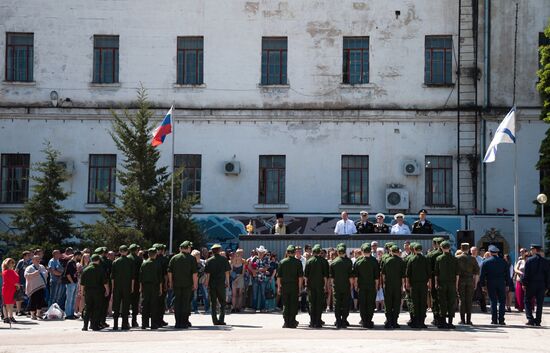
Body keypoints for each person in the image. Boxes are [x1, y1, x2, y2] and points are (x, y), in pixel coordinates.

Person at [168, 241, 198, 329]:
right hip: (187, 285)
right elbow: (194, 273)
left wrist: (171, 282)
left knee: (177, 303)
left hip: (176, 284)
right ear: (188, 248)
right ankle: (184, 322)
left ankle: (177, 322)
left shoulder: (174, 258)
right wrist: (195, 284)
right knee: (185, 303)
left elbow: (170, 272)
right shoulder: (191, 258)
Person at [479, 245, 512, 325]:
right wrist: (507, 284)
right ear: (497, 253)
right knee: (502, 301)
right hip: (501, 283)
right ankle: (501, 320)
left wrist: (482, 285)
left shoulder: (486, 262)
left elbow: (482, 275)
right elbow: (507, 274)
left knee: (493, 301)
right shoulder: (503, 261)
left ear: (490, 252)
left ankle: (494, 320)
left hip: (491, 283)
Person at [522, 244, 550, 326]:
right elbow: (548, 275)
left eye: (531, 249)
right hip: (541, 285)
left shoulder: (529, 260)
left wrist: (524, 283)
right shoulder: (546, 261)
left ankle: (530, 319)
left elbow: (526, 274)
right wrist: (547, 286)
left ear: (534, 250)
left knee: (527, 301)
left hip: (531, 284)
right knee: (540, 303)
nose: (530, 251)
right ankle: (538, 321)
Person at [80, 254, 109, 331]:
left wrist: (82, 292)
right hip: (98, 291)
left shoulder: (86, 269)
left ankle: (85, 326)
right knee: (97, 308)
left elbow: (82, 283)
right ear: (98, 260)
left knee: (88, 308)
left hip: (88, 291)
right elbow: (105, 282)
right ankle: (94, 325)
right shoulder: (100, 269)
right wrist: (107, 290)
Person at [353, 243, 379, 328]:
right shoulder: (374, 261)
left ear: (362, 251)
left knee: (363, 304)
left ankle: (364, 321)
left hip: (362, 286)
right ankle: (369, 320)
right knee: (370, 304)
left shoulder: (358, 261)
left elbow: (356, 277)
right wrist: (376, 286)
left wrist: (356, 286)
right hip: (371, 286)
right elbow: (376, 277)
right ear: (370, 251)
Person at [277, 245, 304, 328]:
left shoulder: (282, 262)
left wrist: (279, 287)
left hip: (284, 286)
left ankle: (286, 322)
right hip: (294, 286)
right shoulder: (298, 262)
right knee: (293, 304)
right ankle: (292, 322)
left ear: (287, 252)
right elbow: (300, 277)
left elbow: (279, 277)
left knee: (285, 304)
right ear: (294, 252)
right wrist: (299, 288)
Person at [205, 244, 231, 325]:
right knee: (222, 302)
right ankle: (221, 320)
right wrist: (228, 282)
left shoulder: (209, 261)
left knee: (213, 302)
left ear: (212, 251)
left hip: (212, 283)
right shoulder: (224, 259)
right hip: (221, 284)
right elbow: (227, 272)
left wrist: (207, 283)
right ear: (219, 250)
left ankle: (215, 320)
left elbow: (208, 274)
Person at [406, 243, 431, 328]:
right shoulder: (425, 259)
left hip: (414, 285)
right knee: (423, 303)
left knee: (415, 303)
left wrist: (408, 284)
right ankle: (422, 322)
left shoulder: (411, 259)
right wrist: (429, 283)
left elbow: (408, 274)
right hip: (423, 284)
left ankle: (416, 321)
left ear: (414, 250)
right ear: (421, 250)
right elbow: (429, 273)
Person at [434, 241, 458, 329]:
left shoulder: (438, 258)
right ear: (449, 248)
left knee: (442, 302)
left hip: (441, 284)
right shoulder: (454, 259)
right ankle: (450, 322)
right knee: (451, 302)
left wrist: (436, 283)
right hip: (451, 284)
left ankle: (443, 322)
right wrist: (456, 285)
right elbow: (457, 274)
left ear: (441, 248)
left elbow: (436, 273)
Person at [304, 244, 329, 328]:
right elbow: (325, 276)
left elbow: (306, 276)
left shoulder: (309, 261)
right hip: (320, 286)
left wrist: (306, 285)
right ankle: (318, 322)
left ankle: (312, 321)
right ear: (320, 252)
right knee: (319, 303)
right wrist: (325, 286)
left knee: (311, 303)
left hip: (311, 286)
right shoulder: (324, 261)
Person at [330, 244, 353, 328]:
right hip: (346, 286)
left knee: (337, 304)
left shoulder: (333, 262)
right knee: (345, 303)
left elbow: (332, 277)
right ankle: (344, 320)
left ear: (338, 252)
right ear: (344, 252)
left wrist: (333, 286)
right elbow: (350, 276)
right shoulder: (349, 262)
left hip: (337, 286)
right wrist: (351, 286)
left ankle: (338, 321)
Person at [110, 245, 134, 330]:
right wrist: (132, 287)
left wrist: (112, 288)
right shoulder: (130, 261)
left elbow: (112, 277)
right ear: (127, 251)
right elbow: (132, 277)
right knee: (125, 306)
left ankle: (115, 325)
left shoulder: (115, 262)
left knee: (116, 306)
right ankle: (124, 324)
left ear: (119, 252)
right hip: (126, 286)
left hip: (117, 287)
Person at [382, 245, 405, 329]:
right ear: (398, 252)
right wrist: (402, 286)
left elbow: (383, 274)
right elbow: (403, 276)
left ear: (391, 251)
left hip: (388, 285)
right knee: (396, 303)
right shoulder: (401, 261)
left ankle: (388, 321)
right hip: (397, 285)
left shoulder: (387, 260)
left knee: (388, 304)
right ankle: (395, 322)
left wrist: (384, 284)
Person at [456, 243, 479, 325]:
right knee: (469, 300)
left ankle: (462, 320)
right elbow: (476, 273)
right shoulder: (473, 258)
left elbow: (457, 274)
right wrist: (475, 283)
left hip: (461, 280)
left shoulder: (457, 258)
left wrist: (456, 284)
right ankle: (468, 320)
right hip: (470, 281)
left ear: (461, 249)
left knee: (462, 300)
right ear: (468, 249)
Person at [140, 248, 162, 330]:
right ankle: (153, 324)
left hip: (146, 286)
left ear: (148, 254)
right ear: (155, 254)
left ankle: (144, 324)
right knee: (154, 306)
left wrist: (141, 288)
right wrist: (160, 289)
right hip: (155, 286)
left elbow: (141, 278)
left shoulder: (144, 264)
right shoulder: (157, 264)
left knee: (145, 305)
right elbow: (160, 279)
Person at [24, 255, 48, 321]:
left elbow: (45, 274)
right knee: (33, 301)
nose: (38, 260)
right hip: (33, 287)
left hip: (41, 286)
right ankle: (32, 315)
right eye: (36, 259)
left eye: (39, 259)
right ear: (33, 260)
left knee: (40, 301)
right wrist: (34, 273)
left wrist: (46, 273)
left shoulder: (42, 266)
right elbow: (26, 275)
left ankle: (38, 314)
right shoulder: (29, 267)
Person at [427, 237, 443, 325]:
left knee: (435, 299)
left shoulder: (431, 255)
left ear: (435, 244)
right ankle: (442, 318)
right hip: (445, 280)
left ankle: (436, 318)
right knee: (443, 299)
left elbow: (428, 270)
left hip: (433, 279)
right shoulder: (448, 254)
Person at [250, 245, 270, 312]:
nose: (260, 253)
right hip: (255, 278)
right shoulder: (254, 258)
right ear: (257, 252)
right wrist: (253, 271)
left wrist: (257, 270)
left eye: (262, 252)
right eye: (259, 252)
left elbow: (267, 268)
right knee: (255, 294)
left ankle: (262, 308)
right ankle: (254, 308)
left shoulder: (266, 258)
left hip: (263, 278)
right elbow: (249, 265)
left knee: (263, 294)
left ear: (264, 253)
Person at [127, 244, 142, 327]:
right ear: (136, 250)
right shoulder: (139, 259)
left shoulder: (127, 259)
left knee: (126, 303)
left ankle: (125, 321)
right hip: (136, 283)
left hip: (126, 283)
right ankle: (134, 321)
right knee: (135, 303)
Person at [63, 251, 82, 320]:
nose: (80, 257)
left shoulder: (74, 263)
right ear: (76, 255)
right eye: (80, 256)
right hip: (70, 283)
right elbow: (67, 274)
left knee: (73, 299)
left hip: (75, 282)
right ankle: (68, 314)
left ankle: (72, 313)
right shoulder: (70, 262)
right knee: (69, 299)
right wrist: (71, 282)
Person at [2, 258, 20, 323]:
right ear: (7, 264)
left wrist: (17, 285)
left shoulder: (13, 271)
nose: (12, 264)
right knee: (6, 304)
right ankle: (6, 317)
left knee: (11, 303)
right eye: (10, 263)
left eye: (12, 263)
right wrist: (17, 285)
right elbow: (10, 280)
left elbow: (16, 279)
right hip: (7, 289)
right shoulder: (5, 272)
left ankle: (11, 316)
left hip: (13, 289)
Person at [14, 251, 31, 316]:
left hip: (27, 282)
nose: (29, 256)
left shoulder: (29, 263)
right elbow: (16, 271)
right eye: (28, 255)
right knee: (19, 297)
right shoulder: (21, 262)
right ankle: (18, 311)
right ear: (24, 256)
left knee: (24, 297)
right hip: (20, 282)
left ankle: (22, 310)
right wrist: (16, 281)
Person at [471, 246, 487, 312]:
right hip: (471, 279)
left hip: (479, 279)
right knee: (470, 294)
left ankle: (484, 308)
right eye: (472, 250)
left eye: (475, 250)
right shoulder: (469, 258)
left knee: (482, 295)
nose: (474, 252)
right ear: (470, 251)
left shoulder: (481, 259)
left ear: (477, 251)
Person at [513, 248, 528, 312]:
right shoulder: (519, 261)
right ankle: (520, 307)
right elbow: (515, 269)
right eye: (520, 252)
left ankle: (529, 307)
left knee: (528, 294)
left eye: (522, 252)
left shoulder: (529, 260)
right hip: (520, 279)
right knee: (519, 294)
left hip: (528, 279)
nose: (521, 253)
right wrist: (521, 273)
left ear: (526, 252)